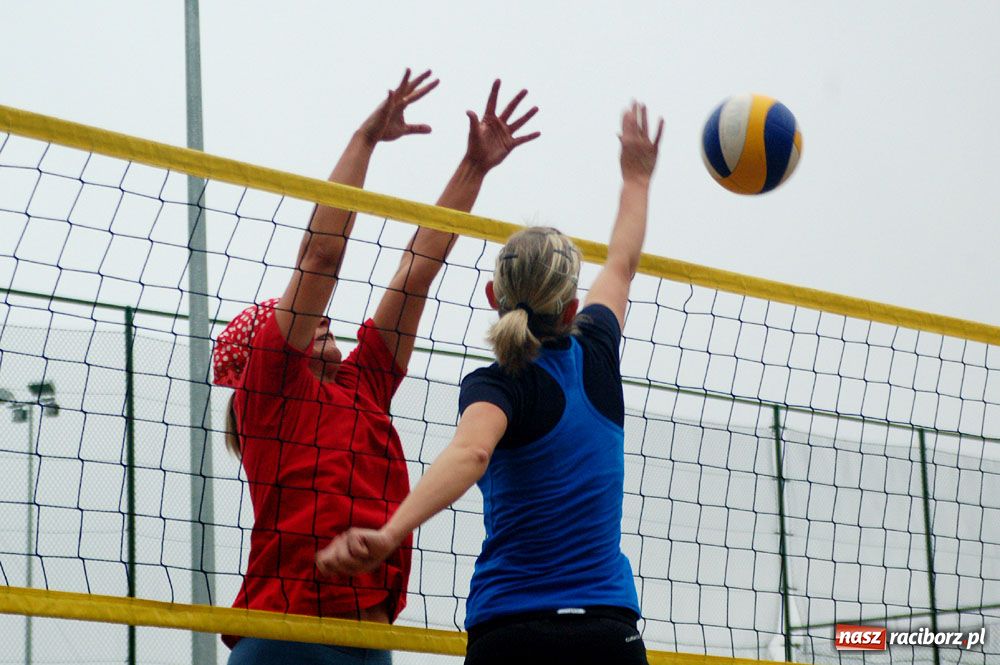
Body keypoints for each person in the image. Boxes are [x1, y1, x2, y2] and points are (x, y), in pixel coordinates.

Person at [212, 69, 540, 665]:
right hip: (288, 637)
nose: (317, 317)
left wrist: (474, 168)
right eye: (295, 316)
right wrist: (364, 140)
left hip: (371, 641)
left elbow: (417, 269)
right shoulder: (273, 386)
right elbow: (322, 253)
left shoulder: (364, 383)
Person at [316, 101, 663, 665]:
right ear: (573, 306)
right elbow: (621, 262)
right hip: (608, 631)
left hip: (513, 630)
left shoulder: (498, 382)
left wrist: (390, 532)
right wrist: (637, 176)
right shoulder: (598, 347)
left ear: (492, 298)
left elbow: (472, 452)